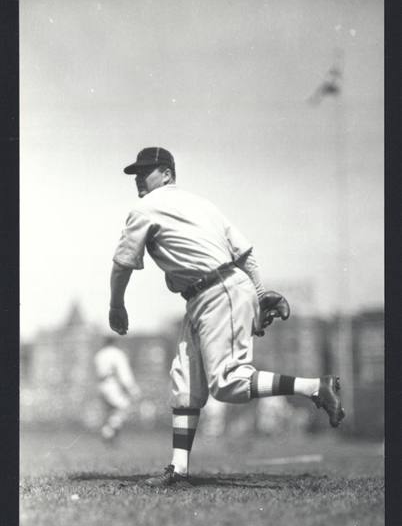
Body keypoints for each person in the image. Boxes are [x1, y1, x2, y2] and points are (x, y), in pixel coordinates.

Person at [108, 147, 345, 487]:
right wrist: (259, 296)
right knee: (185, 382)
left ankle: (315, 386)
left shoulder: (145, 208)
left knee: (228, 382)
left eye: (146, 171)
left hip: (219, 290)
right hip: (209, 294)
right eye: (135, 173)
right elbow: (246, 253)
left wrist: (117, 305)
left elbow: (122, 264)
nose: (138, 179)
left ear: (167, 174)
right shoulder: (204, 205)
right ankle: (178, 470)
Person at [93, 335, 142, 441]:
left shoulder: (99, 355)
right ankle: (107, 433)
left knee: (111, 412)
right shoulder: (117, 354)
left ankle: (110, 437)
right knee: (124, 407)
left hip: (101, 385)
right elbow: (124, 373)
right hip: (112, 384)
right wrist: (132, 389)